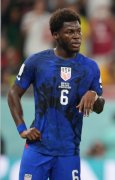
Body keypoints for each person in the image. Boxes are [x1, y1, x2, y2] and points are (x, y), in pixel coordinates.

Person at [7, 8, 105, 180]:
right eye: (69, 32)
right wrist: (22, 129)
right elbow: (13, 93)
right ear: (55, 35)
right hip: (38, 149)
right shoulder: (37, 61)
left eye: (78, 31)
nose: (77, 36)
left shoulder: (90, 67)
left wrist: (94, 95)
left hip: (68, 153)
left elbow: (100, 107)